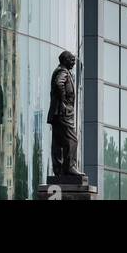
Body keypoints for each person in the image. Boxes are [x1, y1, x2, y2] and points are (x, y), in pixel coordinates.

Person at [47, 49, 80, 178]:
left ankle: (59, 169)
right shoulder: (63, 71)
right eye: (72, 60)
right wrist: (64, 101)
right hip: (63, 112)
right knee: (72, 140)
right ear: (65, 60)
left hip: (59, 113)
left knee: (58, 142)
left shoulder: (60, 70)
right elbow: (58, 83)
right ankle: (69, 167)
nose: (73, 63)